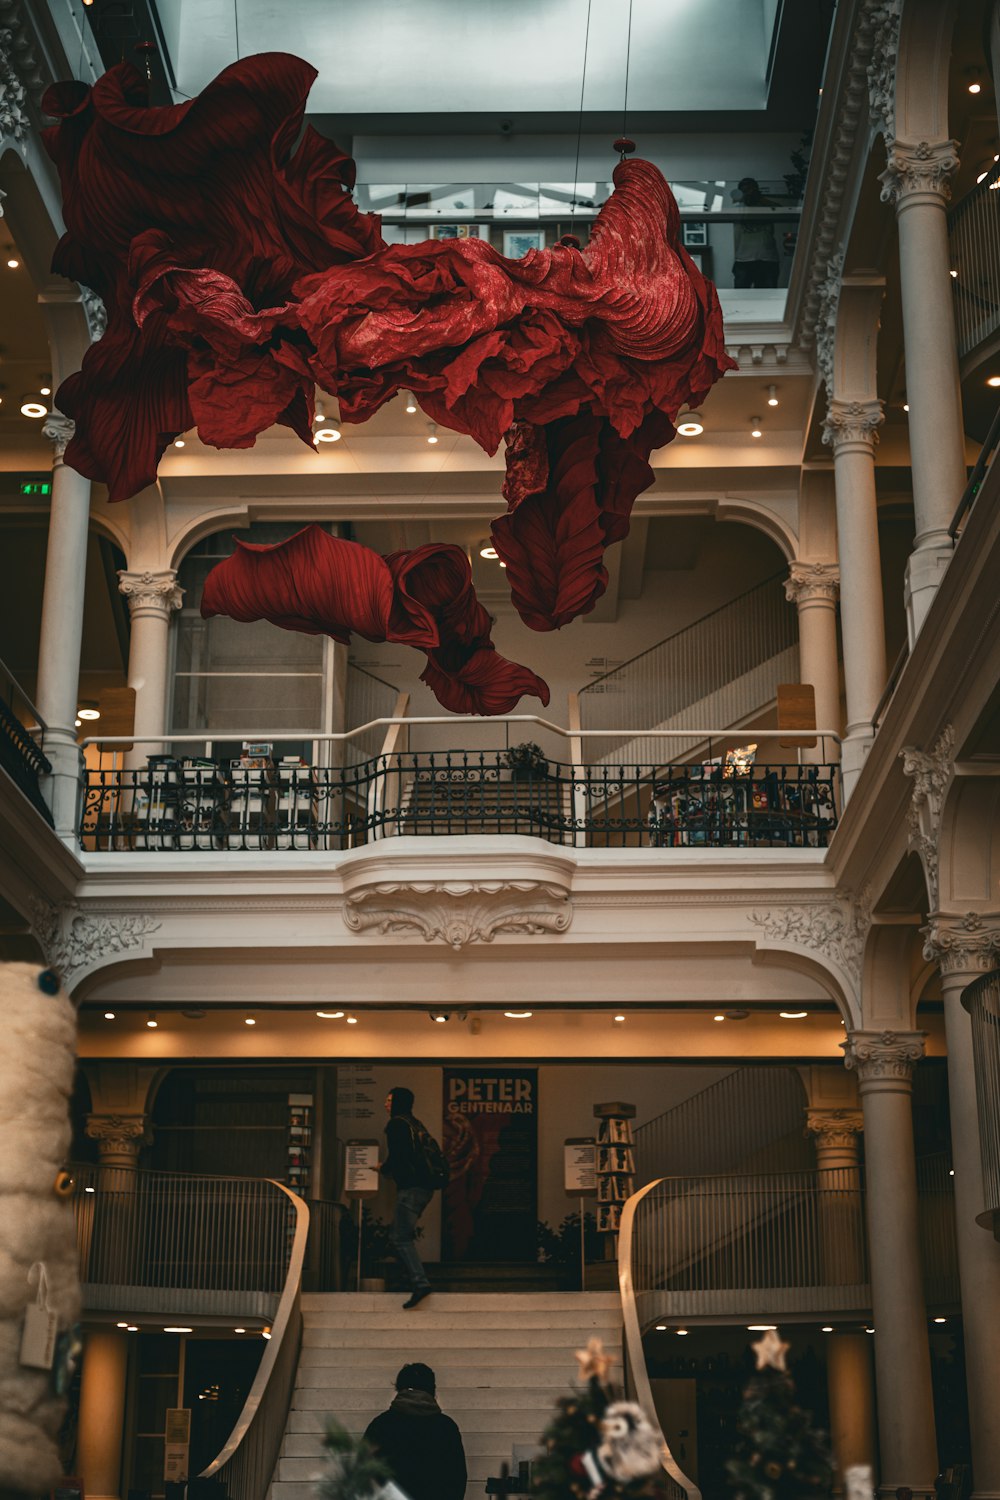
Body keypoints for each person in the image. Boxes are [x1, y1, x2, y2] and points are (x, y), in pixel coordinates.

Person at [364, 1362, 467, 1500]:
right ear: (433, 1391)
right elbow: (457, 1478)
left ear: (399, 1389)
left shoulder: (380, 1425)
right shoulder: (446, 1427)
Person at [382, 1085, 433, 1309]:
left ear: (398, 1102)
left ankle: (419, 1282)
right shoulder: (415, 1123)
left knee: (400, 1238)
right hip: (424, 1188)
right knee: (402, 1236)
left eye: (389, 1100)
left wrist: (384, 1169)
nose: (386, 1103)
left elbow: (398, 1157)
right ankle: (414, 1279)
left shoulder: (396, 1125)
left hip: (410, 1188)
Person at [731, 176, 780, 289]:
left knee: (768, 297)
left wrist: (760, 199)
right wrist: (740, 199)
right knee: (740, 297)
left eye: (751, 189)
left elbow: (782, 210)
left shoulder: (767, 206)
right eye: (744, 190)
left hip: (767, 258)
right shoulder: (737, 207)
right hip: (743, 258)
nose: (748, 193)